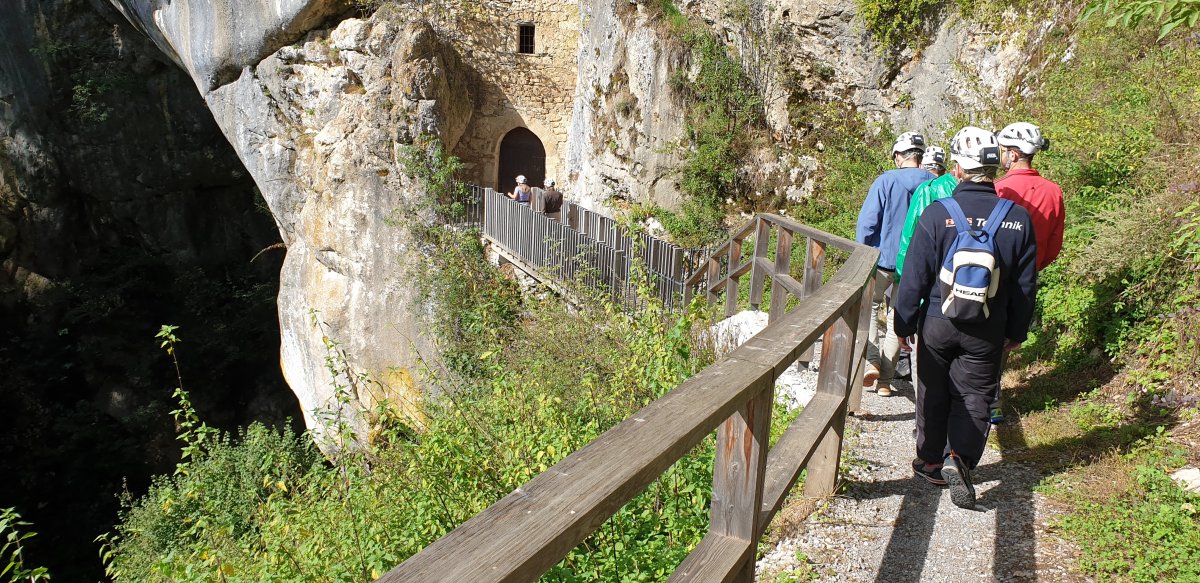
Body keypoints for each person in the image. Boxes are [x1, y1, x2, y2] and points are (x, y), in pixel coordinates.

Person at [893, 126, 1038, 509]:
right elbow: (1025, 286)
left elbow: (914, 277)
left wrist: (904, 325)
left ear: (957, 167)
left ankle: (929, 461)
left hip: (939, 322)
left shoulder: (937, 213)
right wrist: (1016, 331)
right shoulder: (1018, 219)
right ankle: (962, 459)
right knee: (975, 395)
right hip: (987, 326)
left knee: (933, 391)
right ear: (995, 166)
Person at [989, 122, 1065, 424]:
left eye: (1003, 151)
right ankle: (993, 400)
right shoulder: (1053, 192)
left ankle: (977, 398)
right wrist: (1031, 268)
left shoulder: (999, 189)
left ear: (1014, 153)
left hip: (992, 277)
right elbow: (1053, 245)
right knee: (1007, 340)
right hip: (1026, 279)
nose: (1000, 157)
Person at [855, 132, 935, 397]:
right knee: (895, 321)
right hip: (915, 267)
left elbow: (867, 223)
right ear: (920, 156)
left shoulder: (886, 181)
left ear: (899, 156)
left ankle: (871, 360)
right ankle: (886, 382)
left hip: (881, 261)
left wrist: (861, 254)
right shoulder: (936, 184)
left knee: (868, 309)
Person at [893, 145, 955, 381]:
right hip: (963, 282)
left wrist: (901, 274)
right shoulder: (958, 188)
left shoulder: (926, 190)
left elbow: (910, 238)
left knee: (923, 346)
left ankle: (901, 376)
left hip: (929, 285)